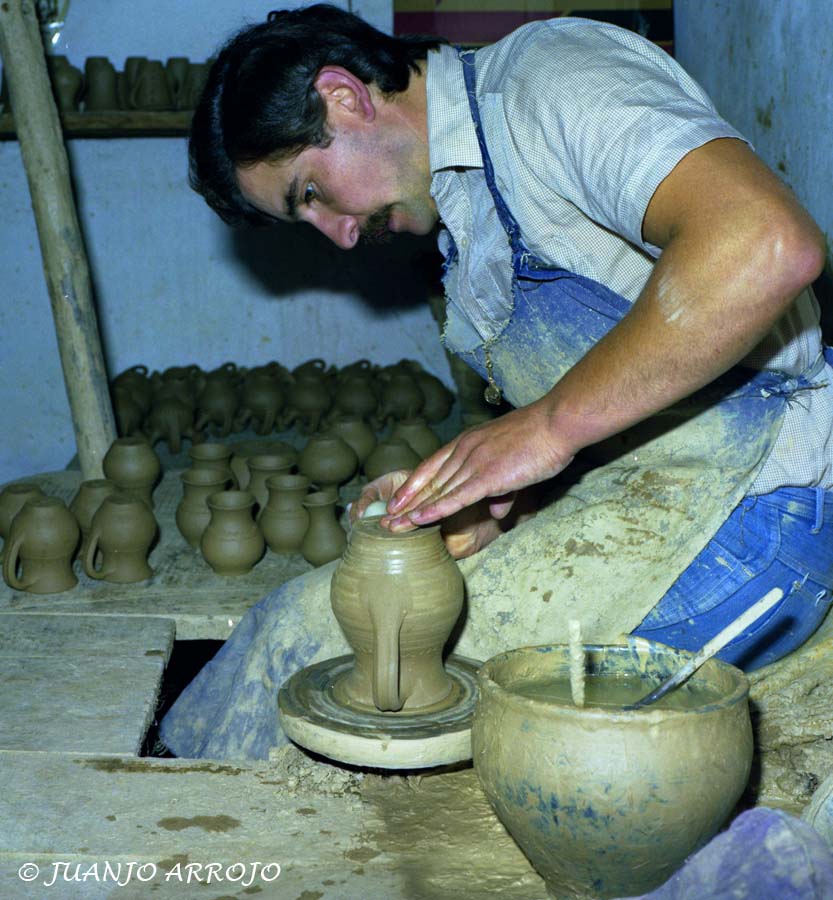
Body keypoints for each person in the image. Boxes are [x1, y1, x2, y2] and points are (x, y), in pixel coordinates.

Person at [160, 5, 832, 761]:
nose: (338, 234)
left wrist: (547, 428)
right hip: (654, 496)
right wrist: (504, 508)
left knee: (334, 660)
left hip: (762, 507)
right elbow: (624, 404)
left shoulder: (551, 79)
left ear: (342, 96)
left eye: (309, 192)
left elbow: (766, 243)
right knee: (295, 629)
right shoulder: (464, 207)